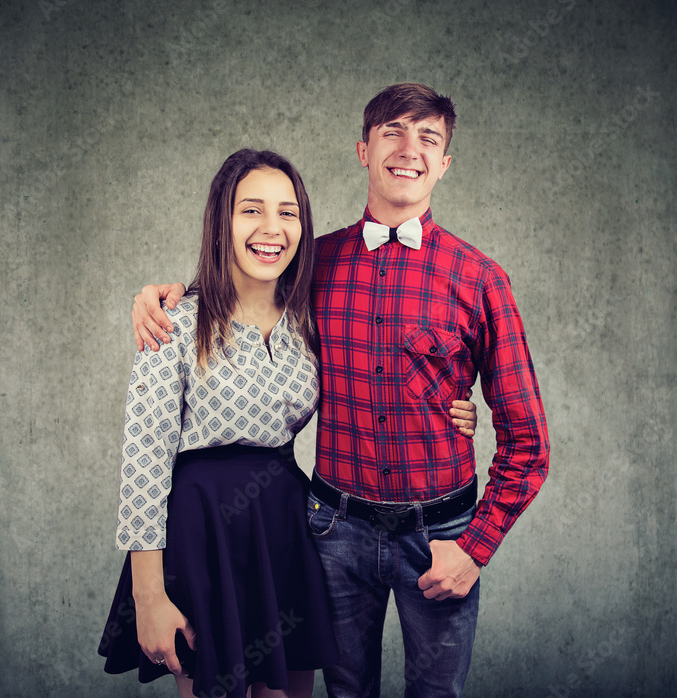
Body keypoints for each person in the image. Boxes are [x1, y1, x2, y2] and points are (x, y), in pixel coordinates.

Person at [131, 83, 549, 698]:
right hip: (329, 531)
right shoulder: (311, 265)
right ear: (362, 150)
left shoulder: (480, 279)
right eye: (393, 133)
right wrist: (162, 298)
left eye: (428, 137)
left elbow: (528, 443)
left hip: (442, 535)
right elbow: (241, 288)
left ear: (445, 162)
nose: (410, 150)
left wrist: (475, 547)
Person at [99, 147, 479, 698]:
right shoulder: (174, 323)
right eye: (251, 210)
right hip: (201, 530)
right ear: (221, 221)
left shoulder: (311, 317)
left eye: (288, 212)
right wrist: (148, 594)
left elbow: (375, 373)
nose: (271, 228)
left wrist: (451, 406)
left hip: (285, 527)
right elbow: (143, 461)